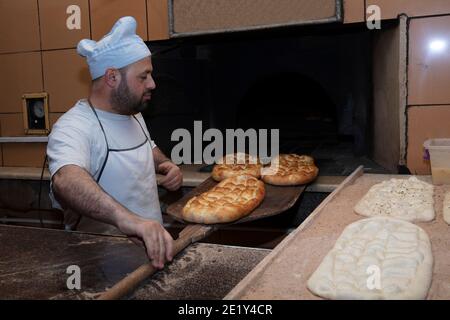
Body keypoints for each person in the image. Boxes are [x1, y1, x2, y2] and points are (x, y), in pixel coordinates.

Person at [47, 16, 182, 269]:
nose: (152, 84)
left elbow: (146, 146)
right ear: (112, 77)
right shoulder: (75, 126)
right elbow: (66, 179)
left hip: (150, 260)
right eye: (144, 77)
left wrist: (165, 164)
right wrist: (127, 220)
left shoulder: (133, 113)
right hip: (101, 271)